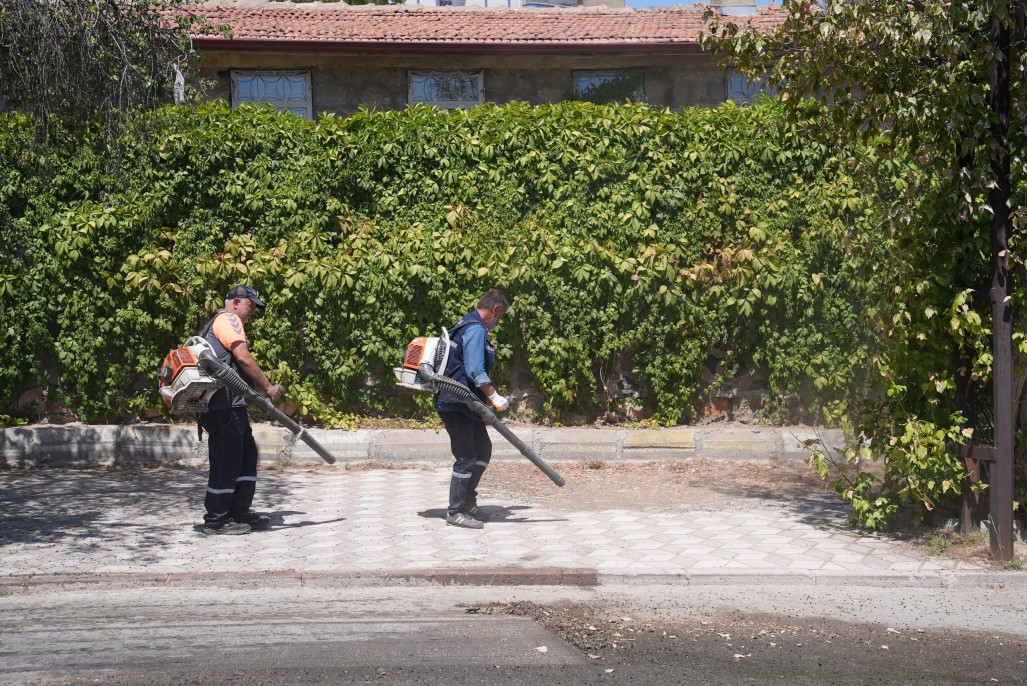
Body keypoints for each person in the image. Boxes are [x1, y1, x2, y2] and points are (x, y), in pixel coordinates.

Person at [197, 284, 282, 535]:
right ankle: (216, 519)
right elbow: (243, 357)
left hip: (231, 405)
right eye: (250, 305)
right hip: (221, 406)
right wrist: (268, 387)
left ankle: (239, 511)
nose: (253, 311)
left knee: (246, 456)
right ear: (235, 302)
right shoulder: (229, 320)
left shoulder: (220, 322)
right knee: (227, 462)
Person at [435, 289, 511, 529]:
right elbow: (475, 371)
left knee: (482, 450)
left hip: (467, 404)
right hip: (456, 403)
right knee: (467, 456)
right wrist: (494, 396)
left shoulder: (465, 324)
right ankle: (455, 510)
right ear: (495, 310)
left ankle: (468, 502)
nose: (498, 322)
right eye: (500, 317)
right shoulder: (476, 329)